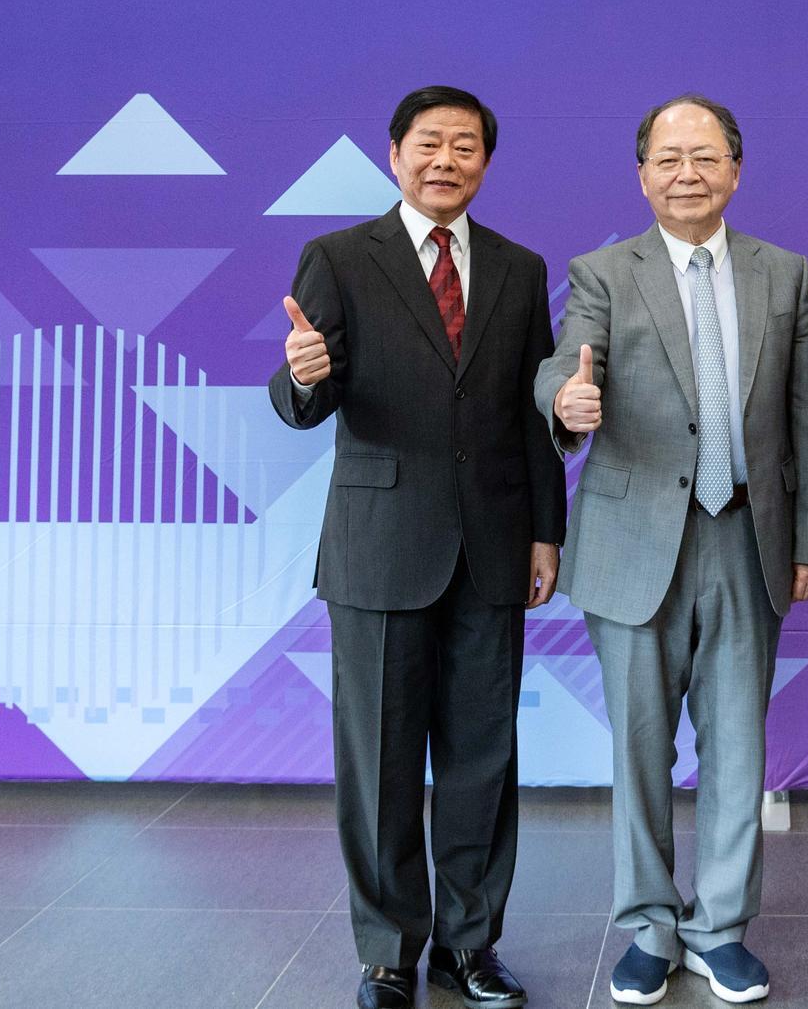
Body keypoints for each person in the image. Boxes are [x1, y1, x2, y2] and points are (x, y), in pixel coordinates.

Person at [534, 94, 808, 1006]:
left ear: (735, 170)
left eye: (704, 157)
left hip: (748, 535)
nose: (686, 175)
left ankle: (720, 929)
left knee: (738, 749)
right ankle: (649, 928)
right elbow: (565, 362)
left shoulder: (782, 274)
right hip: (632, 546)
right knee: (638, 750)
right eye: (667, 159)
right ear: (641, 175)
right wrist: (564, 403)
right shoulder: (603, 272)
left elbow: (797, 420)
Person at [269, 86, 566, 1009]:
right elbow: (304, 396)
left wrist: (546, 531)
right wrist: (300, 375)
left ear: (485, 162)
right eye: (428, 144)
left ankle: (470, 948)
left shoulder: (518, 269)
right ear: (393, 154)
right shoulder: (339, 258)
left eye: (465, 147)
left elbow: (531, 412)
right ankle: (389, 952)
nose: (446, 160)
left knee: (483, 757)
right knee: (381, 761)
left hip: (492, 547)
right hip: (379, 547)